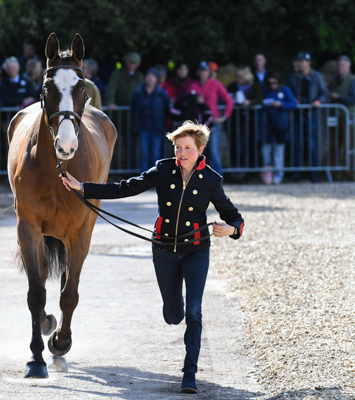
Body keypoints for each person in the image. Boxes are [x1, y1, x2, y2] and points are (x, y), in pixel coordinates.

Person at [60, 121, 244, 395]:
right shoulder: (162, 169)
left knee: (194, 311)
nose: (181, 153)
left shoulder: (212, 180)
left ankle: (189, 375)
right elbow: (124, 187)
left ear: (201, 150)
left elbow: (235, 218)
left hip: (196, 250)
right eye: (177, 147)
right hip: (163, 249)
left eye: (187, 148)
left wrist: (230, 230)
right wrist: (83, 188)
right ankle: (174, 308)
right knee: (174, 315)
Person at [286, 52, 328, 182]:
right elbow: (288, 92)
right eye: (297, 61)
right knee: (296, 144)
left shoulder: (317, 76)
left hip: (311, 114)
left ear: (308, 63)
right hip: (297, 114)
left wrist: (318, 102)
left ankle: (314, 174)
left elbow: (324, 92)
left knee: (312, 144)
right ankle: (296, 173)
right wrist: (294, 100)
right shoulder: (293, 76)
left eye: (301, 61)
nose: (299, 63)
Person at [190, 62, 233, 175]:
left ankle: (218, 178)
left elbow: (229, 100)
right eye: (201, 70)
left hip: (213, 123)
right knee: (200, 152)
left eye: (205, 70)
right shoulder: (193, 86)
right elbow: (187, 102)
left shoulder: (215, 84)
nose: (203, 73)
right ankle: (201, 177)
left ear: (209, 72)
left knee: (214, 151)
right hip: (198, 124)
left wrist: (224, 117)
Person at [226, 65, 263, 180]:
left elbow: (260, 99)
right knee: (235, 148)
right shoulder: (232, 86)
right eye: (236, 76)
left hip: (250, 124)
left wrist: (250, 102)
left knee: (249, 148)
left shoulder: (254, 86)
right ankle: (236, 174)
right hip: (235, 123)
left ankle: (250, 174)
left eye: (240, 77)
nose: (238, 79)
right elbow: (226, 97)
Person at [260, 71, 297, 185]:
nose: (272, 85)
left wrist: (282, 104)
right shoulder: (265, 89)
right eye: (270, 83)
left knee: (278, 151)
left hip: (281, 125)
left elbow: (294, 103)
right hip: (267, 125)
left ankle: (278, 176)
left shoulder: (285, 89)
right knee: (266, 151)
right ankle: (267, 176)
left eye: (274, 83)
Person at [131, 67, 171, 171]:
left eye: (153, 77)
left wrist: (164, 124)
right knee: (144, 153)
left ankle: (155, 177)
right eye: (148, 76)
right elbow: (134, 110)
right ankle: (144, 178)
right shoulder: (139, 92)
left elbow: (166, 110)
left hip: (156, 127)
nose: (150, 79)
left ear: (156, 79)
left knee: (155, 153)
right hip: (143, 127)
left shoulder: (162, 94)